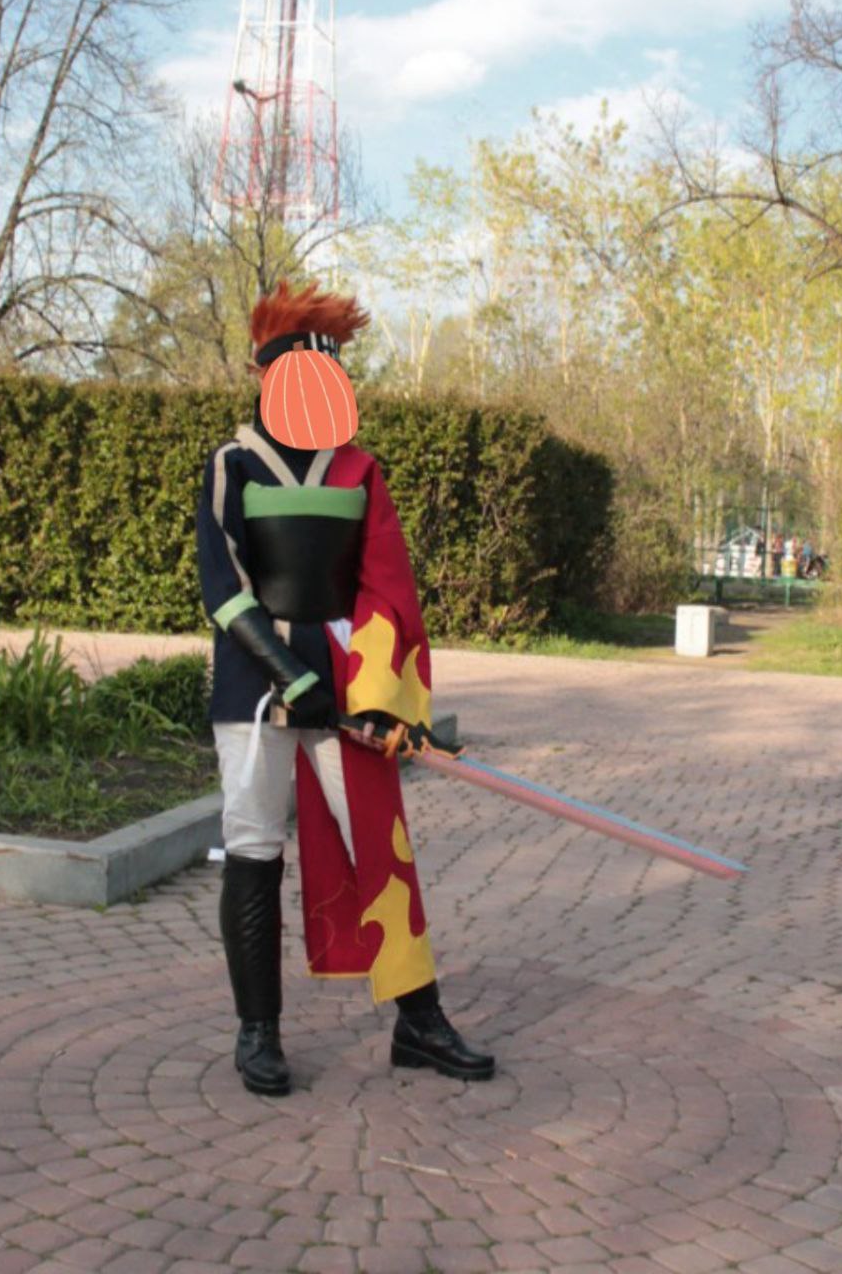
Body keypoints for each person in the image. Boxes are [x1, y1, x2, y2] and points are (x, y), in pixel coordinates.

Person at [196, 281, 495, 1096]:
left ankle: (419, 1022)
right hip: (253, 689)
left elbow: (385, 587)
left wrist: (380, 697)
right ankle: (258, 1032)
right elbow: (223, 587)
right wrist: (289, 675)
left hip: (345, 689)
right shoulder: (230, 465)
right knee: (253, 844)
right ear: (267, 373)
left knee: (378, 843)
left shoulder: (360, 469)